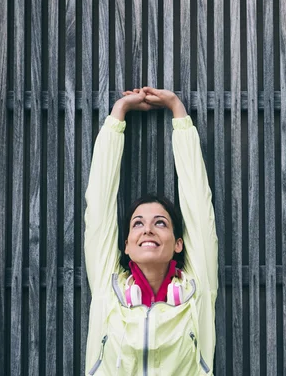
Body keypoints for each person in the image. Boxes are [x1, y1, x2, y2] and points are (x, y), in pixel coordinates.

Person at [84, 87, 218, 375]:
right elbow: (98, 206)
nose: (147, 230)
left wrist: (178, 112)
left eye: (160, 222)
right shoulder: (109, 290)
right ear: (127, 245)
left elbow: (198, 204)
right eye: (137, 223)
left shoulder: (196, 291)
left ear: (178, 243)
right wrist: (117, 115)